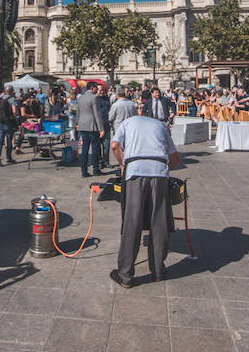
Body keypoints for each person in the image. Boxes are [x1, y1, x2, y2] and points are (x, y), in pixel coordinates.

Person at [109, 115, 182, 287]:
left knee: (132, 223)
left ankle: (125, 276)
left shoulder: (127, 123)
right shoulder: (161, 125)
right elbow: (175, 159)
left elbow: (114, 145)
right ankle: (158, 271)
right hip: (159, 173)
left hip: (135, 172)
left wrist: (122, 164)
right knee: (159, 223)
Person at [76, 82, 105, 178]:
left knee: (84, 149)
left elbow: (77, 112)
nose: (97, 90)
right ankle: (95, 169)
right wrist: (101, 128)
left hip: (82, 125)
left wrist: (77, 123)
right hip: (92, 126)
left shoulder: (80, 98)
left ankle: (84, 171)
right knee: (95, 148)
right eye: (96, 88)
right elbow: (97, 113)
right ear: (92, 88)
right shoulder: (94, 98)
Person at [0, 86, 19, 164]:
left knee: (0, 139)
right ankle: (8, 157)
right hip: (8, 121)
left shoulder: (0, 98)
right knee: (9, 139)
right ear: (12, 92)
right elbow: (14, 111)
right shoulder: (12, 99)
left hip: (0, 121)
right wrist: (15, 119)